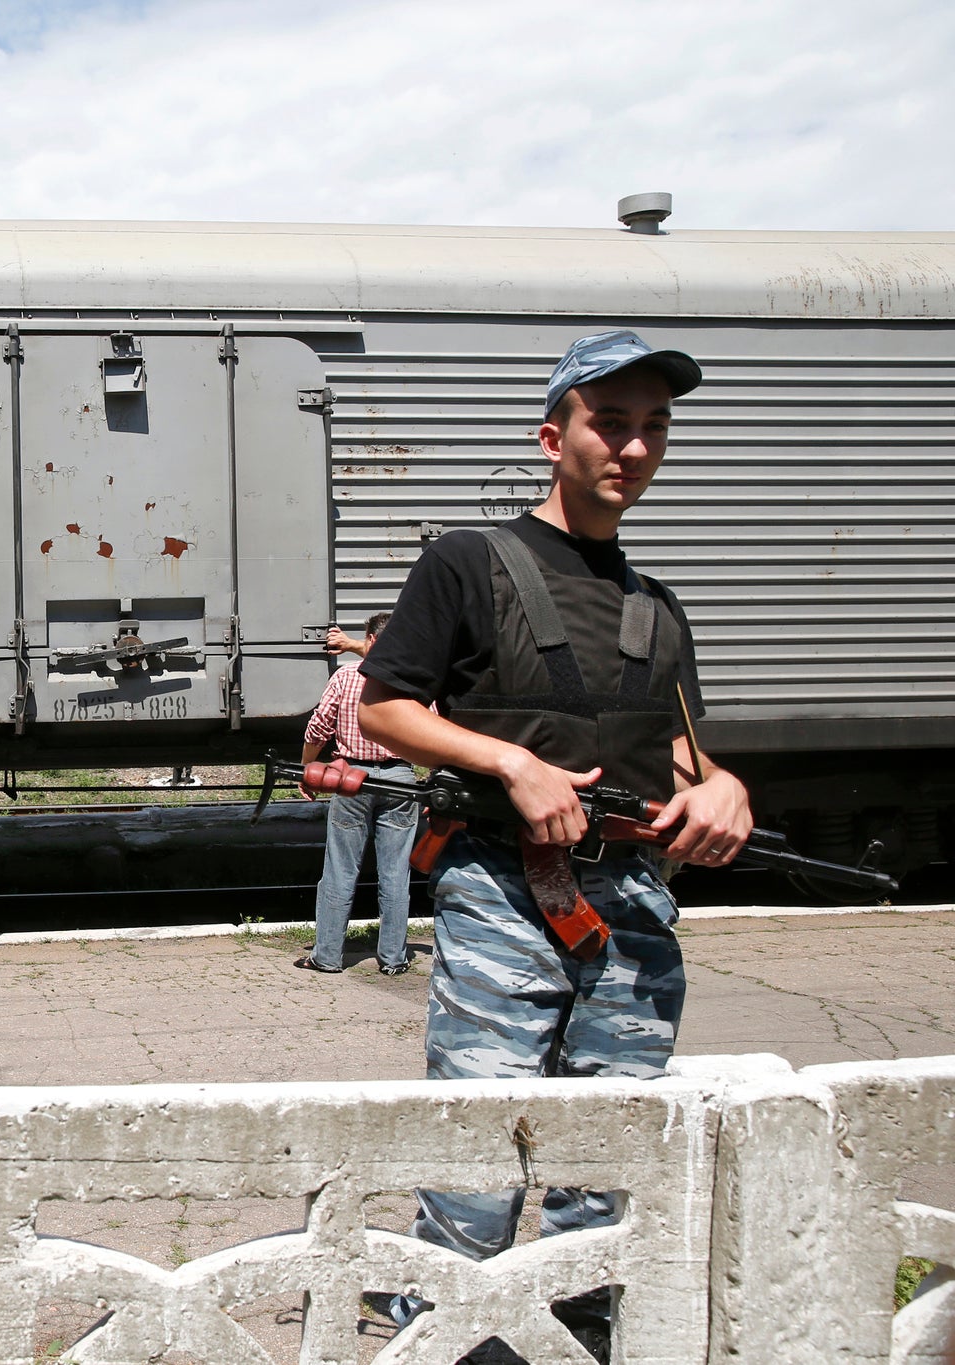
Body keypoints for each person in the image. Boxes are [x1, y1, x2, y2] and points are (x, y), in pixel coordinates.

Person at [356, 331, 753, 1337]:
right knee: (479, 1155)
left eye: (650, 430)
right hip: (499, 889)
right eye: (607, 423)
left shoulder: (655, 608)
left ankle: (577, 1335)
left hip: (628, 913)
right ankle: (436, 1332)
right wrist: (509, 763)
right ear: (551, 436)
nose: (630, 448)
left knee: (604, 1170)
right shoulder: (466, 563)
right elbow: (382, 709)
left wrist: (722, 790)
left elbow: (677, 754)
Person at [294, 611, 417, 976]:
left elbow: (317, 729)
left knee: (339, 870)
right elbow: (436, 728)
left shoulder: (346, 676)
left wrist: (307, 770)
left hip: (350, 777)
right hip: (400, 778)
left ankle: (327, 956)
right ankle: (393, 958)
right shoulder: (414, 680)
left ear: (369, 640)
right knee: (396, 874)